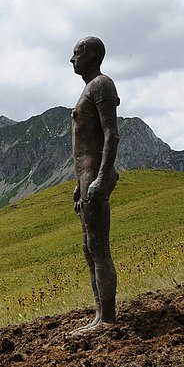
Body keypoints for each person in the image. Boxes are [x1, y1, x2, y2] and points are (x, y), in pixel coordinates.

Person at [69, 36, 120, 334]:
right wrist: (79, 183)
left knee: (99, 248)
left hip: (95, 176)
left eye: (76, 53)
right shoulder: (89, 89)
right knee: (89, 247)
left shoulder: (102, 85)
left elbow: (111, 134)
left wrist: (102, 176)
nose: (71, 59)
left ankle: (107, 318)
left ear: (91, 55)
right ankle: (100, 314)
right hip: (85, 178)